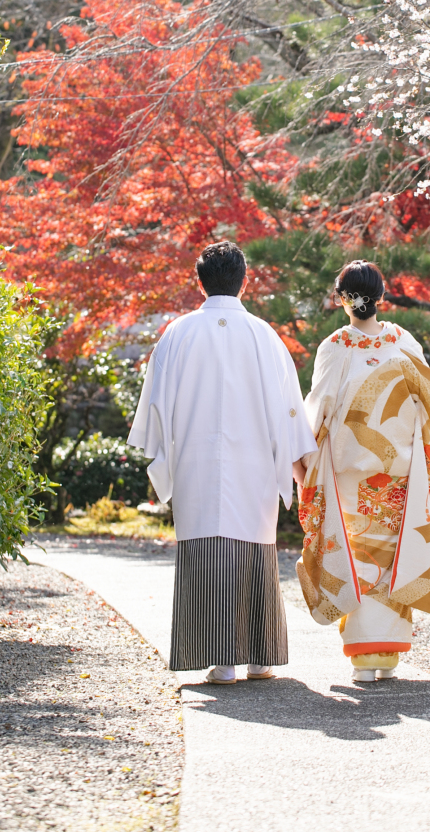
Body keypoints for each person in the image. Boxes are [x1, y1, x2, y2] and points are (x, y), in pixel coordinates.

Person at [128, 240, 316, 683]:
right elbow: (290, 406)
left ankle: (222, 662)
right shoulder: (265, 335)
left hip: (197, 458)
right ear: (244, 279)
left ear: (201, 281)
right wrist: (298, 467)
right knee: (254, 550)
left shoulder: (177, 333)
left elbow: (155, 404)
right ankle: (260, 657)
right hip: (255, 461)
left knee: (207, 547)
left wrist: (164, 451)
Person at [297, 259, 430, 682]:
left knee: (356, 556)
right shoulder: (404, 341)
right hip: (399, 471)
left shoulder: (336, 346)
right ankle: (388, 657)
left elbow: (318, 409)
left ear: (342, 299)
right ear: (381, 297)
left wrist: (306, 464)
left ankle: (364, 657)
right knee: (391, 555)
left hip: (350, 473)